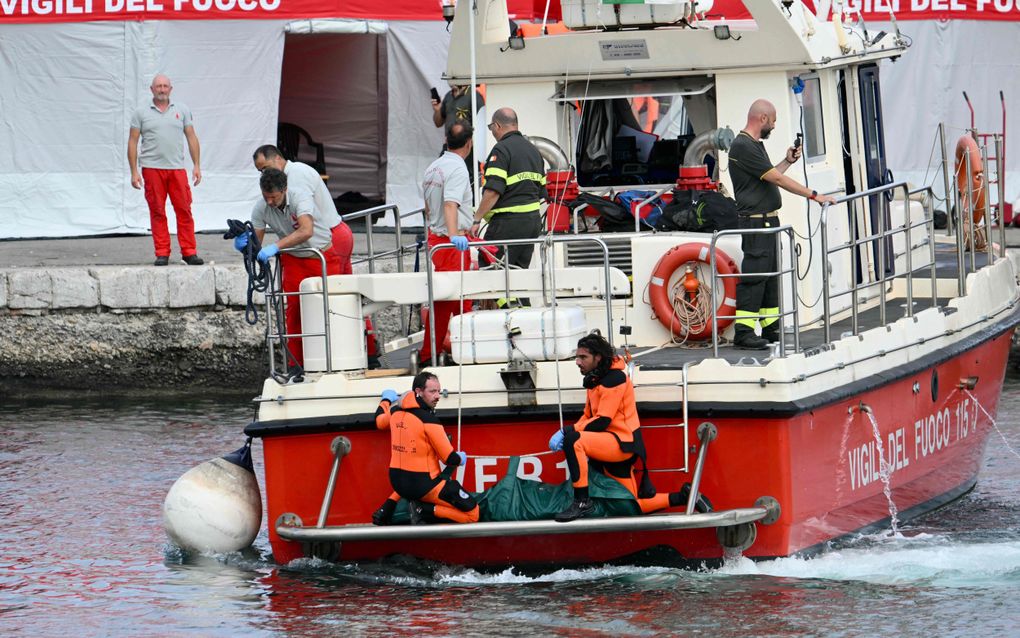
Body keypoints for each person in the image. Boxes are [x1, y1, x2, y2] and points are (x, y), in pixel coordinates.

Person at [550, 332, 709, 522]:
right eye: (577, 357)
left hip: (621, 445)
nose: (577, 361)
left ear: (598, 357)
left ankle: (582, 502)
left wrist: (568, 432)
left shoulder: (613, 379)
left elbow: (602, 421)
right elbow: (588, 415)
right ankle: (684, 497)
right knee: (631, 506)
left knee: (574, 441)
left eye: (583, 357)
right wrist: (571, 429)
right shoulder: (595, 379)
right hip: (608, 444)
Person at [252, 145, 378, 366]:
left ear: (278, 159)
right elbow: (268, 228)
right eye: (259, 171)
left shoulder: (296, 180)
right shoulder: (272, 195)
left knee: (339, 304)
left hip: (326, 241)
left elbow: (305, 227)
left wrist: (276, 246)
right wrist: (248, 245)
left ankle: (361, 352)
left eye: (264, 168)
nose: (262, 173)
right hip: (312, 243)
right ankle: (366, 349)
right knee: (337, 301)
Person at [727, 98, 837, 350]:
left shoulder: (754, 145)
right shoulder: (742, 146)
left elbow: (768, 175)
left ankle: (769, 327)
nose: (774, 126)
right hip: (756, 224)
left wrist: (787, 161)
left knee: (771, 277)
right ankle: (743, 332)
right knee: (756, 277)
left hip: (769, 222)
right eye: (773, 121)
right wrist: (814, 195)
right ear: (762, 118)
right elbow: (776, 179)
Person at [239, 168, 341, 367]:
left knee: (331, 310)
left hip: (321, 257)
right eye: (265, 196)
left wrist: (275, 246)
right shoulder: (261, 208)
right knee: (293, 313)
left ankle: (335, 360)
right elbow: (256, 244)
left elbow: (306, 230)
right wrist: (244, 245)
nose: (269, 201)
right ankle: (297, 365)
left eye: (273, 197)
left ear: (284, 190)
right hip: (293, 259)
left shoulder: (300, 197)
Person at [373, 372, 478, 525]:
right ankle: (425, 510)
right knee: (473, 515)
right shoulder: (429, 420)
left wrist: (386, 399)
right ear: (418, 392)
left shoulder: (395, 412)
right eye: (432, 392)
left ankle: (387, 507)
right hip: (424, 486)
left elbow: (379, 421)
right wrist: (461, 458)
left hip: (397, 483)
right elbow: (449, 458)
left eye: (439, 391)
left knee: (409, 476)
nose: (438, 396)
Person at [128, 74, 204, 267]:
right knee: (157, 211)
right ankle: (162, 252)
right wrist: (134, 171)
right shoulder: (141, 112)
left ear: (171, 89)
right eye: (158, 86)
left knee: (184, 210)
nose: (162, 89)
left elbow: (191, 137)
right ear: (151, 89)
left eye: (165, 86)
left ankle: (189, 252)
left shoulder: (182, 110)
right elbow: (133, 141)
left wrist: (196, 165)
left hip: (176, 168)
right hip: (152, 168)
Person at [472, 108, 545, 305]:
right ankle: (525, 317)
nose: (492, 133)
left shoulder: (501, 151)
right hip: (531, 223)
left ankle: (514, 317)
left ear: (497, 126)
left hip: (507, 224)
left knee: (492, 270)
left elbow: (493, 191)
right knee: (517, 276)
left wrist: (477, 218)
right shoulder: (534, 151)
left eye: (491, 128)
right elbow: (542, 191)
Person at [419, 121, 475, 368]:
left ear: (446, 141)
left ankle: (437, 351)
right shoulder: (458, 169)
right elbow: (450, 204)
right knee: (457, 297)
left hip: (436, 236)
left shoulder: (434, 167)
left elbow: (428, 207)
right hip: (450, 242)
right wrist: (455, 236)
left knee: (449, 298)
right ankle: (460, 351)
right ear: (469, 143)